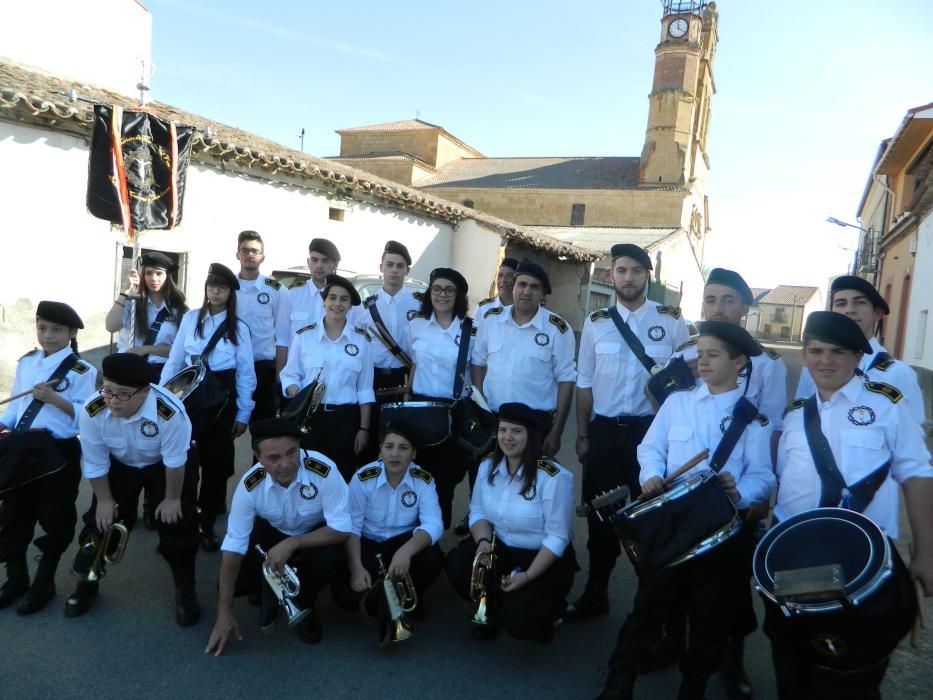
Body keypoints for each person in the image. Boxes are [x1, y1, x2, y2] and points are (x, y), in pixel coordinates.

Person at [597, 322, 775, 700]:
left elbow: (764, 476)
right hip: (671, 524)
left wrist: (740, 491)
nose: (702, 362)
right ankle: (618, 683)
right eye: (700, 354)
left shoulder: (752, 420)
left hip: (719, 532)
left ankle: (692, 688)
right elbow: (650, 448)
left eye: (713, 355)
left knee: (709, 617)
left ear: (739, 361)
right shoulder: (678, 403)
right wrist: (651, 476)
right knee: (648, 606)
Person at [767, 311, 933, 700]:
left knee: (854, 670)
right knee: (790, 661)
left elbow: (918, 474)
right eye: (816, 350)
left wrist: (926, 551)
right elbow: (785, 483)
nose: (825, 360)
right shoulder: (795, 416)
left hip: (863, 560)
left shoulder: (887, 405)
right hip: (796, 559)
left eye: (838, 351)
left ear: (859, 356)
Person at [673, 267, 787, 696]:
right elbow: (672, 415)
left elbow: (772, 427)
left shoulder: (767, 364)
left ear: (745, 307)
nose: (717, 308)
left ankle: (732, 658)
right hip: (685, 487)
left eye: (727, 300)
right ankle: (675, 644)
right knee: (678, 574)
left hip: (735, 493)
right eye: (709, 300)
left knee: (732, 584)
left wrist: (763, 492)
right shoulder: (687, 352)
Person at [569, 243, 689, 622]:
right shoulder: (597, 322)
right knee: (600, 518)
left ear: (647, 276)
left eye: (636, 271)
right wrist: (584, 433)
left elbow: (683, 385)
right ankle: (596, 594)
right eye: (621, 270)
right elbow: (584, 379)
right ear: (612, 274)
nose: (628, 278)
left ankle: (650, 607)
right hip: (604, 432)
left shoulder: (670, 320)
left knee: (649, 519)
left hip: (648, 436)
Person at [66, 353, 200, 626]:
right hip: (121, 464)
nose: (113, 400)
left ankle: (185, 590)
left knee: (178, 527)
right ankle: (89, 580)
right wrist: (104, 500)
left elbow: (175, 462)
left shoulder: (169, 412)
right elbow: (95, 460)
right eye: (108, 390)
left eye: (123, 394)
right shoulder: (94, 410)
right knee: (100, 522)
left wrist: (172, 499)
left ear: (145, 392)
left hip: (164, 467)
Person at [205, 417, 351, 654]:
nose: (286, 464)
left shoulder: (323, 470)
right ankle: (268, 586)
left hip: (315, 534)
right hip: (271, 532)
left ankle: (306, 603)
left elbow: (342, 528)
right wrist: (224, 612)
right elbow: (232, 549)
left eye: (292, 452)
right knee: (235, 582)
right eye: (274, 458)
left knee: (328, 558)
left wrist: (293, 543)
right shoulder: (250, 485)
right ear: (258, 457)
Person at [445, 402, 576, 643]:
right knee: (457, 565)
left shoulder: (554, 477)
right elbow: (477, 512)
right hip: (499, 546)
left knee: (520, 624)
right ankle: (492, 608)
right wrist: (483, 544)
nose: (507, 437)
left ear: (531, 436)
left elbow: (558, 537)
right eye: (503, 430)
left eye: (516, 431)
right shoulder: (488, 466)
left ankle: (550, 610)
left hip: (538, 556)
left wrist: (527, 576)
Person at [0, 302, 97, 615]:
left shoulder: (83, 370)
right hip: (22, 448)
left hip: (57, 453)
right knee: (14, 515)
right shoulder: (27, 362)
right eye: (43, 328)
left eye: (56, 330)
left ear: (70, 333)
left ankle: (44, 583)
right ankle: (16, 579)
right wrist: (3, 425)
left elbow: (88, 416)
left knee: (55, 519)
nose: (48, 335)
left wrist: (54, 399)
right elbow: (15, 408)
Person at [161, 263, 256, 551]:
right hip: (190, 398)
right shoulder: (190, 320)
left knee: (216, 466)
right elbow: (175, 361)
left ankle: (208, 521)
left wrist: (243, 412)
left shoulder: (238, 328)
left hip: (221, 402)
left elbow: (246, 373)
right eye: (212, 285)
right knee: (185, 460)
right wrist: (162, 398)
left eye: (222, 287)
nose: (215, 291)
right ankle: (185, 518)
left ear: (230, 293)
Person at [332, 422, 444, 636]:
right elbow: (352, 527)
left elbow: (434, 524)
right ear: (380, 450)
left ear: (413, 454)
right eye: (389, 446)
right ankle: (388, 596)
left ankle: (405, 596)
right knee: (345, 599)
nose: (395, 454)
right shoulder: (363, 478)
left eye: (403, 448)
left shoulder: (423, 480)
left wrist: (406, 551)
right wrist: (356, 568)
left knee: (432, 556)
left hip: (402, 543)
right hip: (367, 543)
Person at [471, 261, 576, 457]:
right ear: (514, 286)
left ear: (543, 293)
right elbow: (478, 363)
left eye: (534, 287)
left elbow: (566, 381)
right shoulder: (490, 319)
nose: (526, 291)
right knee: (486, 482)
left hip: (535, 426)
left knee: (530, 485)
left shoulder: (558, 329)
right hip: (494, 419)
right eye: (522, 284)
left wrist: (557, 431)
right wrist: (480, 405)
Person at [795, 275, 926, 426]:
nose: (849, 310)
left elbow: (912, 438)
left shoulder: (898, 374)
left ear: (877, 313)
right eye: (841, 303)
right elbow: (800, 417)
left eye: (860, 302)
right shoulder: (816, 364)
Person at [280, 274, 375, 481]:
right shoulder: (304, 336)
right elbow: (289, 375)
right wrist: (301, 394)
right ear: (324, 301)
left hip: (346, 421)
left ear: (351, 305)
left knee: (343, 477)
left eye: (344, 299)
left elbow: (365, 389)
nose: (337, 304)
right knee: (308, 477)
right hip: (310, 419)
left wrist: (364, 429)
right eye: (332, 298)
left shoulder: (362, 340)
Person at [404, 267, 475, 529]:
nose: (442, 295)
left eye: (449, 290)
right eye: (436, 289)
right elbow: (414, 363)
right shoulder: (416, 325)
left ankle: (437, 533)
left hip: (454, 411)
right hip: (421, 409)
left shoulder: (471, 330)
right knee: (419, 474)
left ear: (458, 296)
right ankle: (417, 530)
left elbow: (476, 375)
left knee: (446, 478)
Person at [350, 240, 422, 401]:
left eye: (399, 266)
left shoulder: (419, 305)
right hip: (373, 377)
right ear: (381, 267)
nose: (394, 270)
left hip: (406, 376)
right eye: (389, 265)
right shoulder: (365, 307)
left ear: (407, 270)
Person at [105, 251, 188, 384]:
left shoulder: (179, 311)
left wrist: (146, 349)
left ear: (167, 276)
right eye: (148, 273)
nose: (153, 278)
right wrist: (125, 291)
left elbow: (183, 348)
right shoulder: (131, 304)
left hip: (161, 373)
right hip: (127, 369)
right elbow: (111, 326)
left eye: (159, 273)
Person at [233, 230, 290, 423]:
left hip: (263, 370)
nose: (250, 255)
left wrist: (279, 377)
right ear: (237, 254)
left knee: (263, 433)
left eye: (255, 251)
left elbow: (283, 337)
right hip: (231, 367)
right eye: (245, 250)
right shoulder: (227, 287)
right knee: (225, 430)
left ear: (263, 257)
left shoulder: (276, 290)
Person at [278, 237, 341, 341]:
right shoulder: (291, 295)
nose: (319, 266)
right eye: (314, 260)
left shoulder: (344, 300)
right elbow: (282, 339)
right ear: (308, 262)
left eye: (325, 261)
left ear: (335, 265)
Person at [473, 257, 517, 321]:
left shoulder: (522, 311)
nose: (503, 280)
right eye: (500, 275)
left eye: (509, 275)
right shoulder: (483, 308)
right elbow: (473, 330)